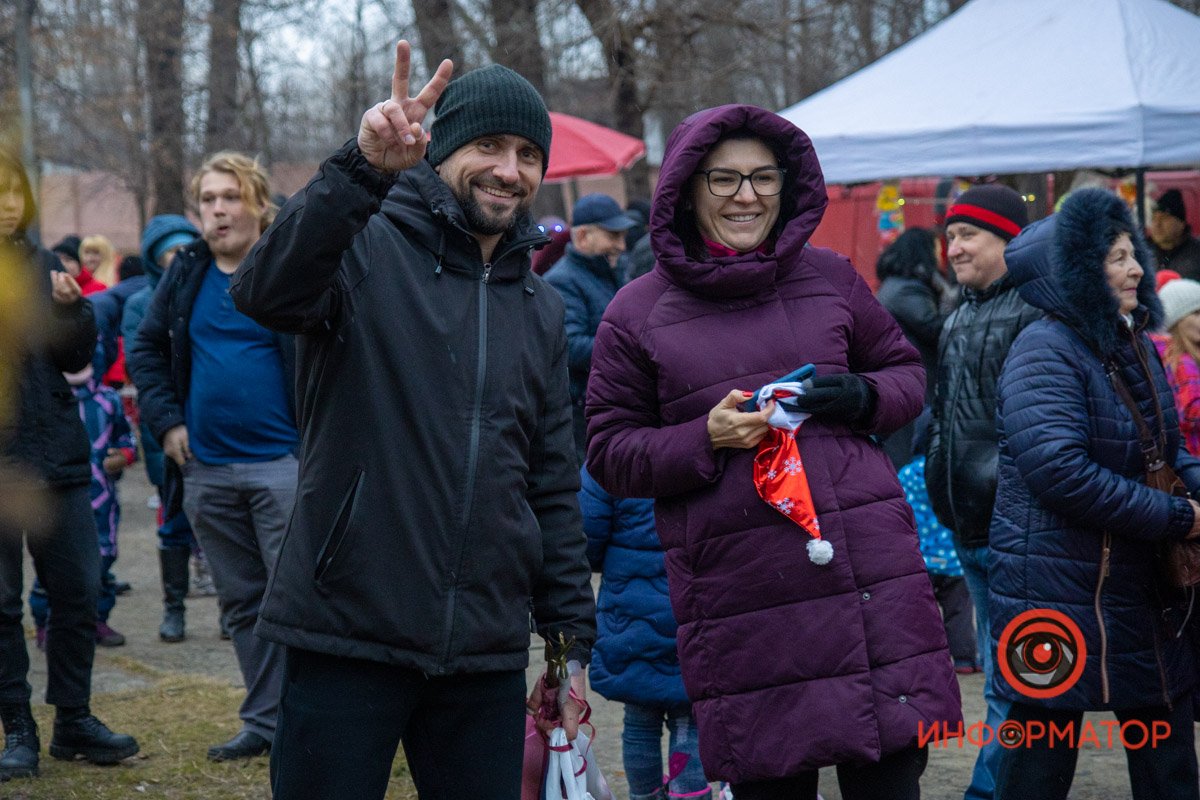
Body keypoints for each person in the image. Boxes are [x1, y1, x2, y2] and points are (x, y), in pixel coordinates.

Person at [228, 43, 596, 800]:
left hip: (484, 655)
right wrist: (361, 167)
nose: (509, 170)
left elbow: (551, 479)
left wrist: (565, 649)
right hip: (348, 628)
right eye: (488, 146)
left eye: (528, 154)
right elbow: (263, 292)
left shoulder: (542, 305)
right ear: (442, 152)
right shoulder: (362, 244)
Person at [585, 104, 961, 799]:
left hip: (867, 584)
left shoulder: (832, 276)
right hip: (748, 605)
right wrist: (704, 437)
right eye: (724, 180)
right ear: (687, 190)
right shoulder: (635, 312)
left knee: (889, 778)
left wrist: (859, 396)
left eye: (763, 178)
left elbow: (908, 376)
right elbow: (609, 450)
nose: (747, 196)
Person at [989, 187, 1200, 800]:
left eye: (1132, 252)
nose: (1137, 267)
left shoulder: (1128, 341)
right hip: (1052, 592)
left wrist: (1192, 487)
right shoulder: (1044, 350)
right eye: (1115, 257)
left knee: (1168, 760)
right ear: (1073, 272)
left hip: (1137, 588)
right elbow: (1061, 472)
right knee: (1039, 762)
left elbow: (1164, 449)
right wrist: (1178, 518)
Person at [127, 152, 296, 762]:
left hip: (284, 464)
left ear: (257, 203)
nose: (218, 209)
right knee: (243, 602)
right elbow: (145, 351)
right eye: (208, 200)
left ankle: (311, 726)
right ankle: (264, 722)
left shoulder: (287, 264)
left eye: (230, 196)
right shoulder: (186, 272)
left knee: (295, 600)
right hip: (207, 471)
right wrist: (166, 423)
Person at [0, 149, 139, 781]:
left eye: (14, 191)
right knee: (1, 608)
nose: (7, 203)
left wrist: (71, 308)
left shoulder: (45, 264)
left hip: (55, 456)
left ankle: (73, 721)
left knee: (79, 591)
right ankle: (18, 731)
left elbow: (77, 357)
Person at [924, 183, 1039, 800]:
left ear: (1008, 240)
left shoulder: (1036, 311)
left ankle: (990, 790)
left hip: (1019, 528)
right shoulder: (957, 315)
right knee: (1006, 677)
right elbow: (943, 413)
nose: (955, 248)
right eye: (950, 237)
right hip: (968, 525)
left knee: (1016, 679)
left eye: (968, 235)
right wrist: (944, 484)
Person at [580, 465, 709, 800]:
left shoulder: (612, 456)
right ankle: (690, 794)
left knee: (639, 722)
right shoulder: (703, 442)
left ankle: (644, 797)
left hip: (631, 618)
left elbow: (587, 536)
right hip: (693, 606)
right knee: (690, 719)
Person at [122, 214, 211, 641]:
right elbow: (145, 366)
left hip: (212, 423)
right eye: (169, 252)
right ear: (156, 259)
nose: (179, 258)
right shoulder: (141, 304)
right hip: (169, 430)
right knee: (174, 519)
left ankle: (232, 610)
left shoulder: (213, 288)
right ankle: (173, 608)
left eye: (184, 247)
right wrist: (167, 425)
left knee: (219, 525)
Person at [29, 360, 137, 648]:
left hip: (102, 499)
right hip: (56, 497)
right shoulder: (38, 400)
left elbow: (126, 439)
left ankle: (97, 618)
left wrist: (124, 456)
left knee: (102, 558)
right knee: (50, 564)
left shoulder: (107, 400)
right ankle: (45, 622)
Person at [546, 193, 637, 456]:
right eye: (613, 235)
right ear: (584, 236)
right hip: (587, 414)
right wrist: (631, 349)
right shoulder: (562, 281)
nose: (621, 245)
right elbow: (571, 346)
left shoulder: (612, 271)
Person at [898, 410, 977, 673]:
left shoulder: (907, 474)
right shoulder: (952, 468)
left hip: (921, 558)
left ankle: (924, 660)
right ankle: (965, 660)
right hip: (954, 559)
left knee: (922, 613)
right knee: (960, 612)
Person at [874, 227, 951, 467]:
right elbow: (934, 328)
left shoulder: (894, 284)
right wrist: (952, 302)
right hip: (914, 381)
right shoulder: (907, 289)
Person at [1152, 278, 1200, 457]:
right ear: (1177, 321)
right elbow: (1190, 412)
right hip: (1193, 452)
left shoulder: (1167, 356)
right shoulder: (1183, 362)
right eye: (1196, 313)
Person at [1148, 189, 1200, 278]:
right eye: (1154, 218)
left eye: (1164, 218)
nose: (1157, 224)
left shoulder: (1196, 252)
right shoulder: (1144, 251)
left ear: (1181, 224)